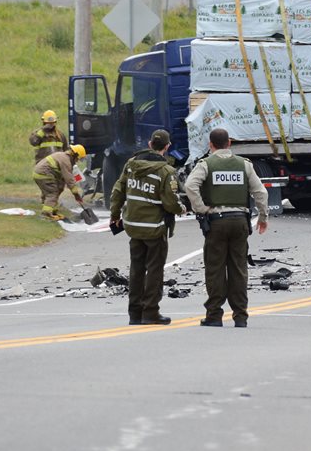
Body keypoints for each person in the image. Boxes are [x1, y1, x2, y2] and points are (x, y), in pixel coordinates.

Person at [184, 128, 269, 328]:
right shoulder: (244, 165)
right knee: (239, 269)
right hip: (240, 221)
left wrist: (201, 208)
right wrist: (263, 217)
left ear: (210, 145)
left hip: (216, 222)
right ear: (229, 143)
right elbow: (261, 193)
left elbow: (190, 185)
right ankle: (240, 316)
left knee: (215, 269)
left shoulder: (206, 164)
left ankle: (214, 315)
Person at [109, 129, 184, 326]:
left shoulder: (131, 165)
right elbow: (170, 203)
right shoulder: (166, 172)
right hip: (155, 229)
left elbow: (118, 190)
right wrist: (182, 209)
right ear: (167, 147)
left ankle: (135, 313)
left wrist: (115, 215)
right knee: (154, 271)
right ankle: (150, 312)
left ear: (150, 144)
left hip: (133, 226)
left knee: (136, 270)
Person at [33, 144, 87, 221]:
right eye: (78, 158)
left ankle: (52, 211)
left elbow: (61, 177)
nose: (77, 161)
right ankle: (46, 214)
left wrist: (61, 187)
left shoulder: (64, 156)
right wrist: (76, 194)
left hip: (40, 174)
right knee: (52, 193)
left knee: (55, 190)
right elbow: (69, 179)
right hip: (44, 174)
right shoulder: (66, 161)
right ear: (75, 154)